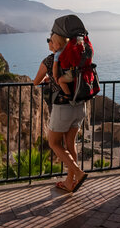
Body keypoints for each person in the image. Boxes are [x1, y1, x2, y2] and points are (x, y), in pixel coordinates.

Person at [33, 34, 88, 193]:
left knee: (54, 143)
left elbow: (36, 81)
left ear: (55, 43)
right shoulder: (76, 57)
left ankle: (78, 173)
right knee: (70, 145)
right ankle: (69, 182)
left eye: (49, 40)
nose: (48, 43)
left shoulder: (50, 60)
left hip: (63, 107)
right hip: (79, 106)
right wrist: (52, 78)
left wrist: (47, 78)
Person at [51, 33, 74, 104]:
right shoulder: (69, 49)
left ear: (58, 44)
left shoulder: (58, 54)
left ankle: (68, 95)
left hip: (70, 75)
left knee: (61, 80)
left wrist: (55, 77)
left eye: (53, 43)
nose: (52, 45)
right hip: (75, 72)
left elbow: (55, 66)